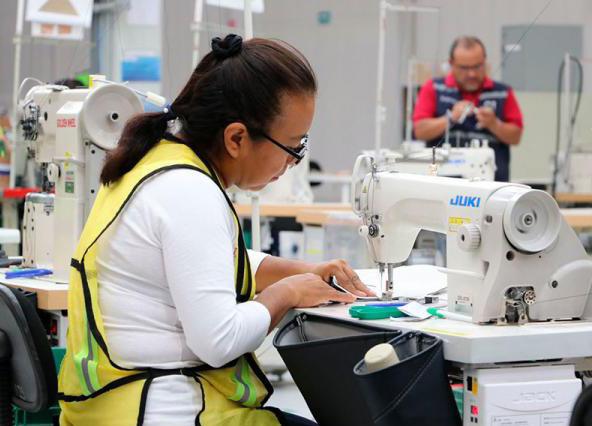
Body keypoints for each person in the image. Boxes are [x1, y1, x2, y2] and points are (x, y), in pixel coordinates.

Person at [57, 34, 374, 425]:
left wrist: (302, 271)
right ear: (237, 138)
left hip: (109, 408)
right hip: (166, 412)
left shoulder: (154, 162)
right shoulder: (189, 191)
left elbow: (201, 261)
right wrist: (286, 293)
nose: (294, 161)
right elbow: (219, 341)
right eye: (293, 147)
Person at [413, 36, 524, 181]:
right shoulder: (433, 88)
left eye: (477, 66)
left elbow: (516, 137)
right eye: (464, 68)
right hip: (443, 183)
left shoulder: (503, 92)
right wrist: (451, 118)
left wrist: (494, 124)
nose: (472, 74)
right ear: (451, 64)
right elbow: (420, 131)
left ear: (485, 61)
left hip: (492, 184)